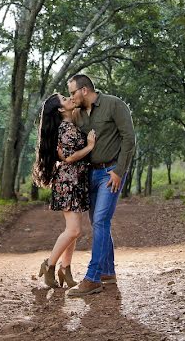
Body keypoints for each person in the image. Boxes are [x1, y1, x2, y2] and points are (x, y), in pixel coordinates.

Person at [65, 73, 136, 297]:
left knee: (101, 220)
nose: (71, 97)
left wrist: (119, 171)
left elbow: (129, 139)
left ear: (84, 90)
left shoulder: (114, 105)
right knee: (98, 224)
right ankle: (107, 272)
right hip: (90, 175)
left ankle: (93, 277)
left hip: (110, 173)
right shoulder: (77, 115)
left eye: (72, 92)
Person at [32, 93, 97, 289]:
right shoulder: (65, 129)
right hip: (68, 182)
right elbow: (69, 158)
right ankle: (50, 264)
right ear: (61, 109)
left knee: (74, 231)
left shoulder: (70, 124)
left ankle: (65, 269)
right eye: (64, 99)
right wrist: (91, 146)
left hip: (75, 181)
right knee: (74, 230)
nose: (69, 98)